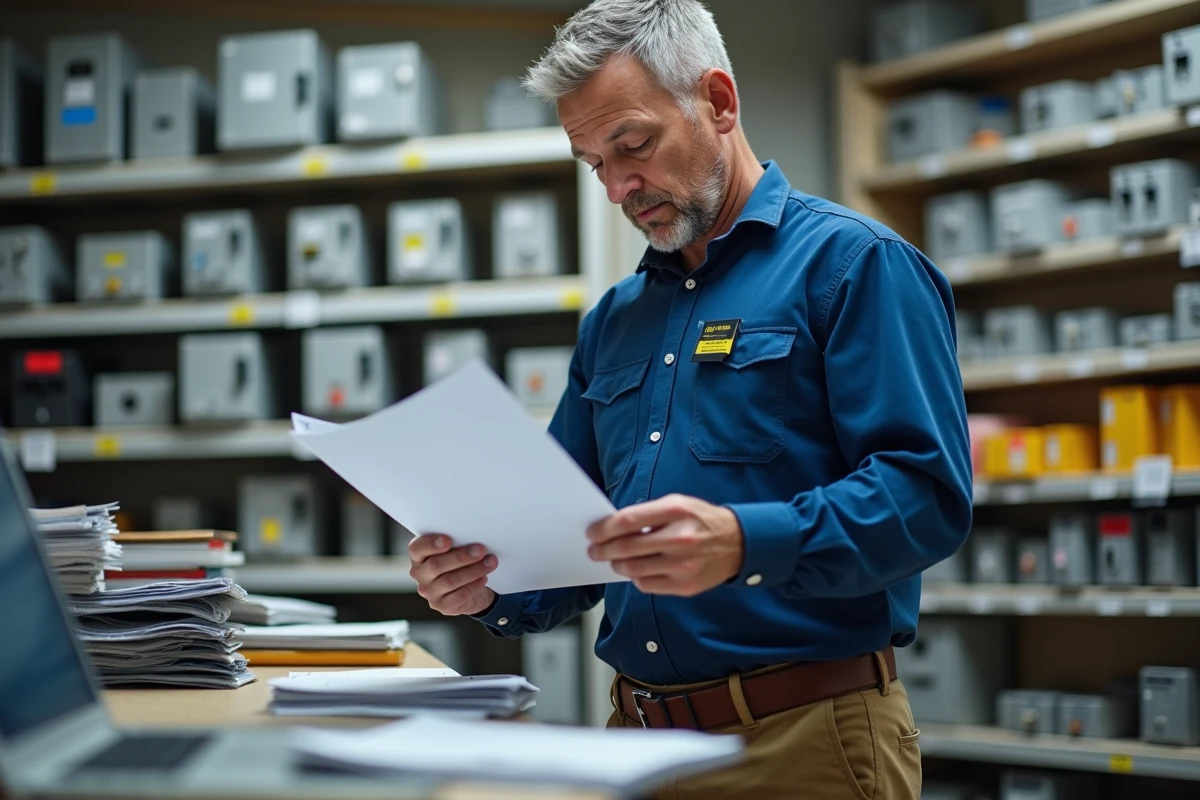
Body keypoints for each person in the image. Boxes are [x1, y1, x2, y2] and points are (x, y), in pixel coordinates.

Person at [409, 1, 972, 796]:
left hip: (804, 744)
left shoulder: (856, 266)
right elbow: (573, 536)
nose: (617, 187)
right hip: (633, 742)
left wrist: (746, 542)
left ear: (718, 101)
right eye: (593, 163)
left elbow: (926, 499)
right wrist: (484, 579)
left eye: (633, 146)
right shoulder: (614, 321)